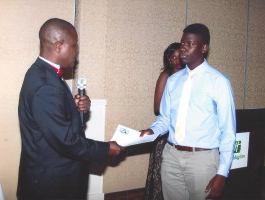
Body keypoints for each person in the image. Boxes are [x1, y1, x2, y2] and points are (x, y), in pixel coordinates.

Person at [17, 18, 123, 200]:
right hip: (52, 186)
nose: (76, 54)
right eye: (74, 46)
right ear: (58, 46)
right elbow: (66, 141)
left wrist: (74, 108)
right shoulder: (46, 85)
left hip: (50, 179)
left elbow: (50, 121)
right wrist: (106, 149)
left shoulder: (41, 73)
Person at [140, 23, 236, 200]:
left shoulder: (218, 82)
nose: (183, 48)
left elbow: (228, 130)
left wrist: (222, 173)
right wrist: (152, 131)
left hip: (203, 160)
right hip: (171, 157)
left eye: (189, 44)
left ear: (204, 48)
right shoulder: (173, 80)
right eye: (182, 43)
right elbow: (165, 118)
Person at [144, 42, 184, 200]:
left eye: (179, 56)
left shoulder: (187, 77)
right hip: (165, 133)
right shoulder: (166, 76)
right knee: (161, 177)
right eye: (173, 57)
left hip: (182, 136)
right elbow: (157, 108)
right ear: (168, 59)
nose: (177, 60)